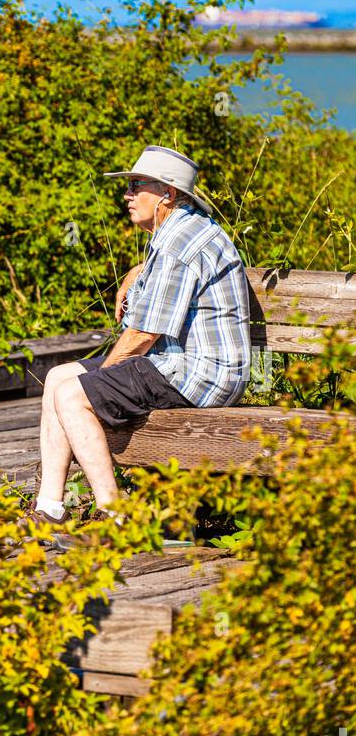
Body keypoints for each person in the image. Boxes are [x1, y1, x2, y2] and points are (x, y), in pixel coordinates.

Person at [28, 145, 251, 544]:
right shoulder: (178, 230)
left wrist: (103, 382)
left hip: (202, 374)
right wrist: (138, 268)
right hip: (181, 363)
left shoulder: (181, 242)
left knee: (72, 395)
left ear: (166, 193)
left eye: (136, 186)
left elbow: (143, 336)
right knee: (58, 377)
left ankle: (116, 519)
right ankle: (50, 509)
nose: (127, 195)